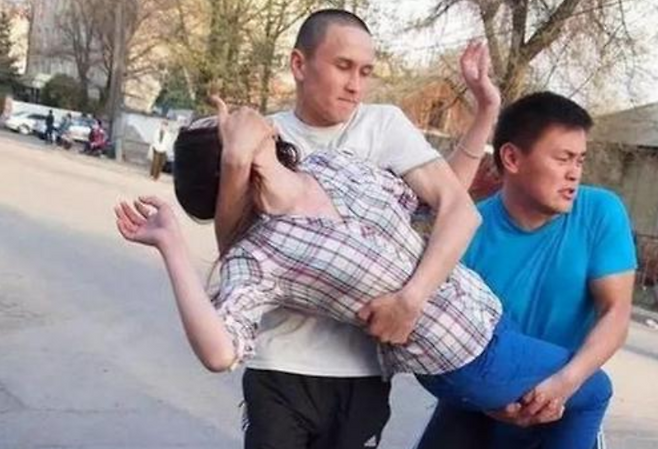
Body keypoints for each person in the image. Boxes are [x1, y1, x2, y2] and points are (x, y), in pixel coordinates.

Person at [115, 108, 613, 449]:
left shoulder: (331, 166)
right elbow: (219, 352)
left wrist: (484, 115)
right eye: (223, 122)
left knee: (547, 404)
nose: (237, 112)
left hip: (485, 316)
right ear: (227, 159)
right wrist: (173, 247)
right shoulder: (260, 253)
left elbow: (437, 202)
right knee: (593, 389)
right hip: (465, 353)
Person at [213, 9, 501, 449]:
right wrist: (236, 160)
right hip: (281, 366)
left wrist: (411, 300)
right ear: (299, 64)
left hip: (362, 370)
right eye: (343, 66)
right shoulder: (264, 138)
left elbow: (454, 207)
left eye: (365, 72)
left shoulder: (382, 125)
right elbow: (232, 248)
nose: (355, 85)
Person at [415, 92, 637, 449]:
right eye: (563, 158)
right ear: (512, 158)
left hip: (566, 396)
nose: (574, 173)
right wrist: (490, 401)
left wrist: (565, 383)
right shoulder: (466, 228)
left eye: (580, 160)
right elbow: (440, 336)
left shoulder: (601, 212)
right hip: (480, 397)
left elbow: (616, 312)